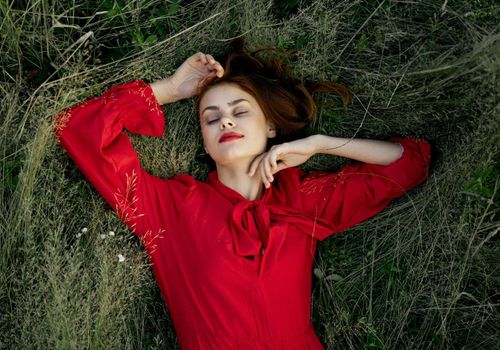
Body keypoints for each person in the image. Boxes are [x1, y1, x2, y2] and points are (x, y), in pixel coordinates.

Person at [54, 43, 431, 349]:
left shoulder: (300, 199)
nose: (226, 121)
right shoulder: (169, 208)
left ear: (270, 126)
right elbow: (80, 130)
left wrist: (321, 144)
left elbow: (407, 166)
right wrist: (170, 89)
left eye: (240, 111)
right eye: (211, 117)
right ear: (203, 140)